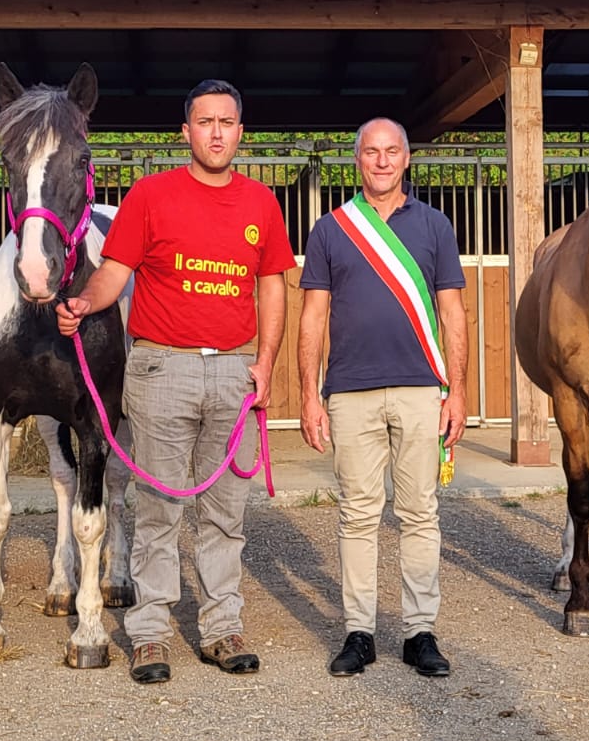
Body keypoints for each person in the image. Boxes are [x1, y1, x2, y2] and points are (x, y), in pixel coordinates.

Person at [57, 79, 292, 685]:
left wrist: (265, 362)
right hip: (164, 368)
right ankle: (152, 632)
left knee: (225, 511)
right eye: (205, 121)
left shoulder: (261, 204)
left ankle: (220, 628)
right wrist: (84, 303)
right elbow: (115, 272)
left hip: (235, 367)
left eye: (227, 121)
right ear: (185, 132)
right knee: (159, 507)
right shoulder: (150, 196)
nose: (216, 132)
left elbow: (272, 286)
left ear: (241, 132)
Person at [296, 117, 468, 679]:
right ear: (358, 160)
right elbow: (313, 315)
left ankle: (420, 632)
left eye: (392, 151)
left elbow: (452, 313)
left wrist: (458, 390)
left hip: (423, 389)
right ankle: (359, 632)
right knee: (358, 515)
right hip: (349, 391)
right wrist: (308, 395)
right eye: (371, 152)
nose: (382, 161)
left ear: (407, 159)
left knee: (420, 512)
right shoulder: (330, 229)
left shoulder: (436, 225)